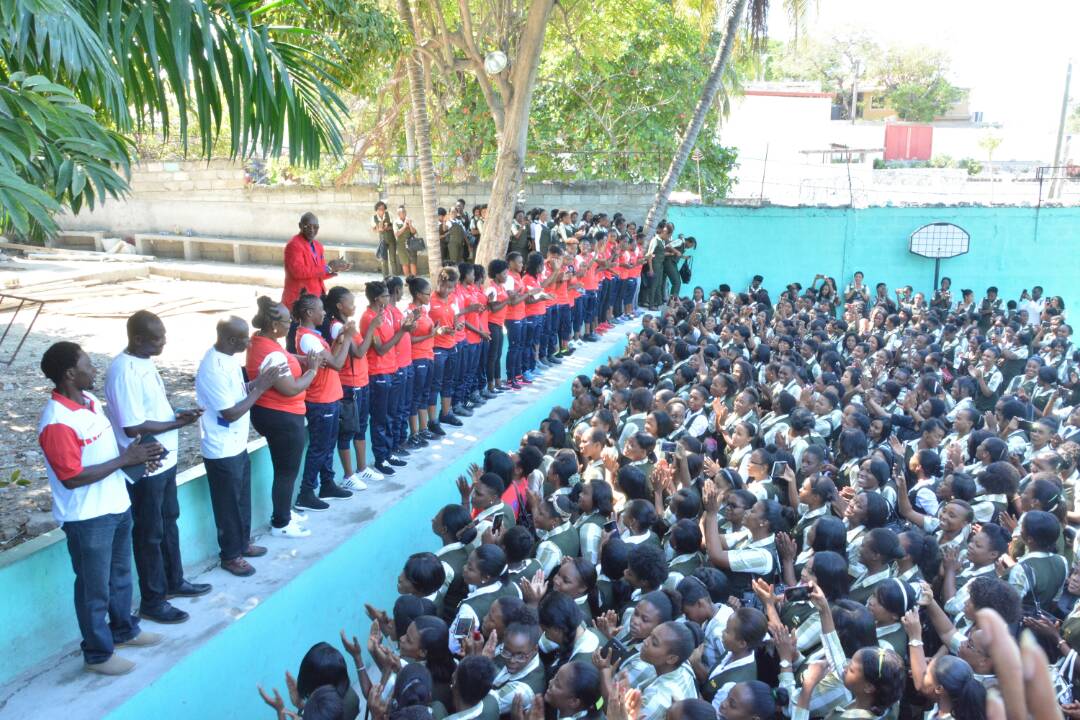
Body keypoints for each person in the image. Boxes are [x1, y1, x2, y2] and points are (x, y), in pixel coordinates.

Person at [38, 341, 166, 676]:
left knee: (121, 576)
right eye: (87, 365)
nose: (94, 369)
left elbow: (106, 453)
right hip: (87, 519)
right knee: (94, 589)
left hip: (116, 505)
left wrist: (139, 457)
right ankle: (97, 653)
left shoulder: (91, 402)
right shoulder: (57, 421)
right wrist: (125, 459)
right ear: (70, 373)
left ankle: (124, 630)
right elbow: (72, 477)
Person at [104, 310, 209, 625]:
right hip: (145, 463)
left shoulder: (144, 362)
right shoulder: (123, 371)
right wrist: (175, 421)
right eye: (158, 337)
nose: (164, 341)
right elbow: (133, 425)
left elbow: (151, 408)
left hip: (166, 457)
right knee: (149, 532)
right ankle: (153, 599)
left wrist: (178, 414)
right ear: (138, 339)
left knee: (168, 521)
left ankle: (173, 580)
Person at [195, 317, 286, 577]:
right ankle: (230, 555)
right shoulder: (213, 368)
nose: (249, 341)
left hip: (236, 443)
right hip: (221, 447)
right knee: (228, 504)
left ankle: (242, 543)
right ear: (230, 339)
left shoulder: (230, 359)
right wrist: (261, 389)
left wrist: (256, 383)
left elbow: (238, 391)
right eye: (244, 338)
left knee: (241, 498)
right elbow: (230, 413)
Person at [247, 296, 321, 539]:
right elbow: (290, 388)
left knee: (284, 469)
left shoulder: (261, 341)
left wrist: (300, 360)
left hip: (272, 414)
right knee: (286, 471)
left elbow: (284, 358)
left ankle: (284, 511)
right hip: (283, 417)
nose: (291, 324)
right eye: (288, 321)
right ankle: (281, 523)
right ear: (275, 325)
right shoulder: (272, 353)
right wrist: (311, 370)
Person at [284, 212, 351, 350]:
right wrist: (327, 267)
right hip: (301, 300)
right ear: (300, 226)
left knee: (321, 335)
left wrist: (334, 269)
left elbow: (317, 272)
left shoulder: (317, 246)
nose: (312, 230)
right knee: (297, 335)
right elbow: (298, 272)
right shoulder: (294, 245)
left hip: (318, 298)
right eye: (308, 226)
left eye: (315, 227)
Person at [372, 201, 396, 276]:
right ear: (376, 210)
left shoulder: (389, 214)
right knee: (384, 260)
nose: (381, 210)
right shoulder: (374, 217)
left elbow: (394, 226)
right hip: (382, 241)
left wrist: (387, 228)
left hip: (391, 239)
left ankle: (395, 276)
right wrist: (378, 229)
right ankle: (385, 277)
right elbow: (373, 229)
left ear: (385, 209)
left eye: (383, 208)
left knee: (393, 259)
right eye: (379, 208)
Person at [394, 205, 420, 277]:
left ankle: (414, 280)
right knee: (404, 263)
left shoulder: (409, 220)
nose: (404, 213)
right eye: (402, 212)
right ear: (398, 214)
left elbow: (414, 232)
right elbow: (396, 233)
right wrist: (405, 226)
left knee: (413, 262)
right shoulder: (396, 222)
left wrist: (410, 225)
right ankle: (408, 280)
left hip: (411, 244)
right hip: (401, 245)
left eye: (405, 212)